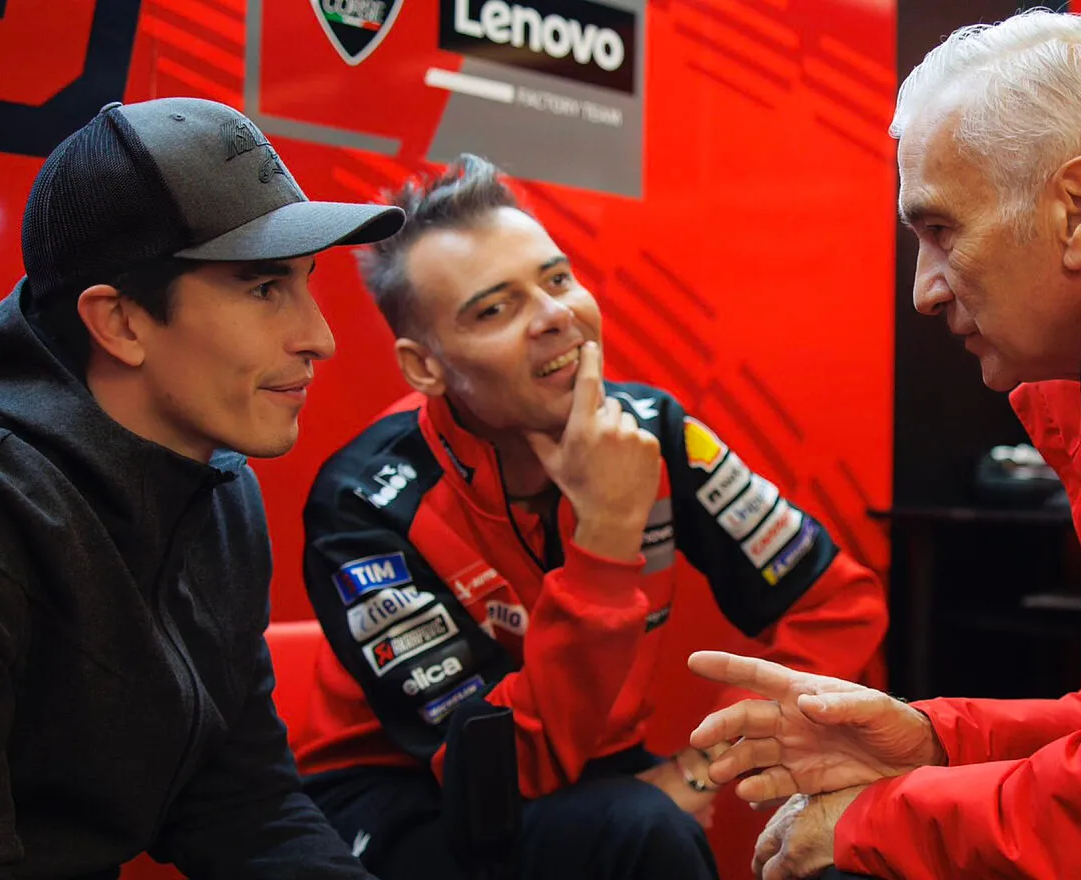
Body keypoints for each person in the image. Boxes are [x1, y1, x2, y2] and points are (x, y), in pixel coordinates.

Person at [688, 1, 1081, 877]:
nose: (924, 292)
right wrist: (937, 741)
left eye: (939, 231)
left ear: (1077, 209)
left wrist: (878, 820)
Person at [294, 154, 890, 879]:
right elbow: (493, 771)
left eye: (556, 280)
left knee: (848, 821)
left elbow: (836, 602)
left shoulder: (655, 434)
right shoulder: (364, 500)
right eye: (495, 308)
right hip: (405, 792)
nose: (555, 317)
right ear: (426, 367)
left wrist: (707, 765)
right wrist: (607, 535)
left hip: (593, 773)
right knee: (643, 831)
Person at [0, 97, 405, 877]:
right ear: (121, 323)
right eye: (263, 288)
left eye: (305, 282)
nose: (320, 335)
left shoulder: (218, 490)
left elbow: (240, 801)